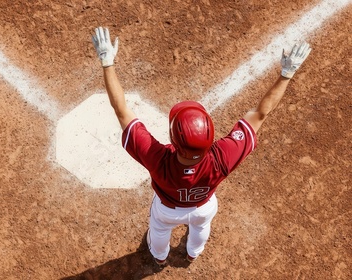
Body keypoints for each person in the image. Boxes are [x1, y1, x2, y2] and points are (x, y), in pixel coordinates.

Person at [91, 26, 311, 266]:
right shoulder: (223, 157)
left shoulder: (157, 158)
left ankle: (159, 257)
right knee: (201, 226)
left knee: (159, 231)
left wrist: (107, 62)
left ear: (174, 140)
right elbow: (261, 113)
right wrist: (287, 73)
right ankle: (193, 253)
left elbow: (121, 110)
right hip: (203, 207)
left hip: (168, 211)